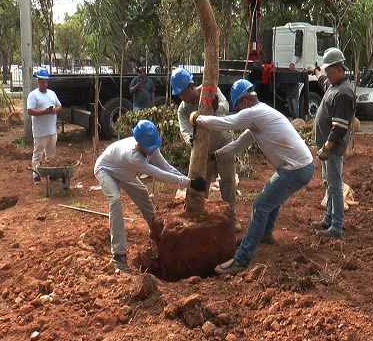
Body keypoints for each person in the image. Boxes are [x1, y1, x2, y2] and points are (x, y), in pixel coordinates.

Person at [189, 79, 314, 276]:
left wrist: (198, 119)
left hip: (295, 168)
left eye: (238, 106)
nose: (239, 111)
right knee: (272, 198)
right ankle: (265, 234)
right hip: (302, 166)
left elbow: (225, 122)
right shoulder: (259, 118)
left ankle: (242, 259)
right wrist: (215, 156)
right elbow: (238, 144)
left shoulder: (255, 113)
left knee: (260, 205)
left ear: (244, 102)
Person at [94, 119, 206, 273]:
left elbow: (166, 167)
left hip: (125, 173)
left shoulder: (151, 146)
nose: (153, 151)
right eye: (149, 148)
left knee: (143, 193)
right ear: (139, 144)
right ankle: (119, 255)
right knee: (115, 200)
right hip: (106, 169)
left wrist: (188, 181)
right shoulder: (132, 156)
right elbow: (159, 174)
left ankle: (156, 232)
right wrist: (190, 183)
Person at [171, 68, 241, 232]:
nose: (181, 97)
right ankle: (198, 216)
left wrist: (216, 105)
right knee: (201, 183)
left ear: (191, 86)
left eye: (183, 93)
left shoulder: (210, 90)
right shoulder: (183, 109)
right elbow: (185, 130)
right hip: (203, 148)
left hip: (223, 139)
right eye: (178, 94)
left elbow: (225, 106)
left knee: (228, 180)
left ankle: (231, 217)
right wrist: (190, 140)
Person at [308, 47, 355, 239]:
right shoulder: (334, 87)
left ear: (339, 69)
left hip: (332, 148)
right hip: (327, 148)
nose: (326, 74)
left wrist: (327, 147)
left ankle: (336, 227)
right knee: (329, 184)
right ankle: (328, 220)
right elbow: (323, 82)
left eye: (329, 70)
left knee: (335, 185)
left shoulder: (343, 93)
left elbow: (340, 127)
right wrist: (315, 71)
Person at [27, 68, 62, 184]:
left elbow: (59, 106)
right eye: (42, 82)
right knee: (38, 153)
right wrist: (44, 112)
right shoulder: (33, 95)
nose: (45, 84)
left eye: (46, 82)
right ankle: (36, 174)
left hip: (52, 130)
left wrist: (54, 111)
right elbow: (30, 111)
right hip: (40, 131)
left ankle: (51, 174)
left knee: (51, 154)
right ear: (38, 81)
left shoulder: (52, 93)